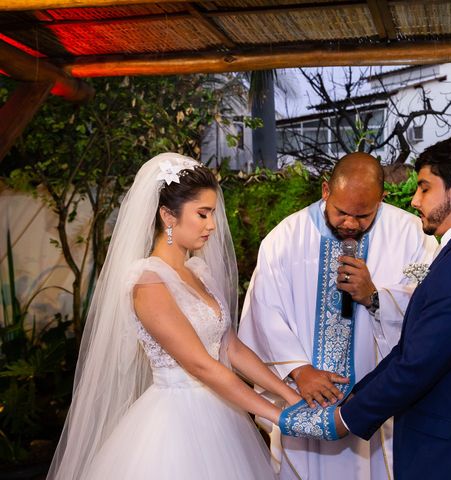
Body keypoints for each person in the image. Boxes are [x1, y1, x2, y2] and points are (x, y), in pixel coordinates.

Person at [47, 153, 301, 480]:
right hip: (176, 425)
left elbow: (231, 348)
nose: (212, 225)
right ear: (168, 216)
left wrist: (291, 396)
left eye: (213, 214)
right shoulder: (149, 282)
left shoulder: (198, 270)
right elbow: (200, 364)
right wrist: (279, 415)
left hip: (222, 413)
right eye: (202, 214)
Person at [238, 152, 437, 480]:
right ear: (325, 190)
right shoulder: (284, 239)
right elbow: (264, 312)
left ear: (382, 198)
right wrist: (299, 370)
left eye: (363, 215)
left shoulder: (411, 235)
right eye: (342, 212)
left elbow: (430, 304)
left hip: (376, 405)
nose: (350, 224)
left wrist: (374, 297)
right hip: (302, 398)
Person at [334, 136, 451, 480]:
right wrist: (354, 396)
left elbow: (418, 364)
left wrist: (345, 419)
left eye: (425, 188)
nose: (415, 200)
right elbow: (411, 348)